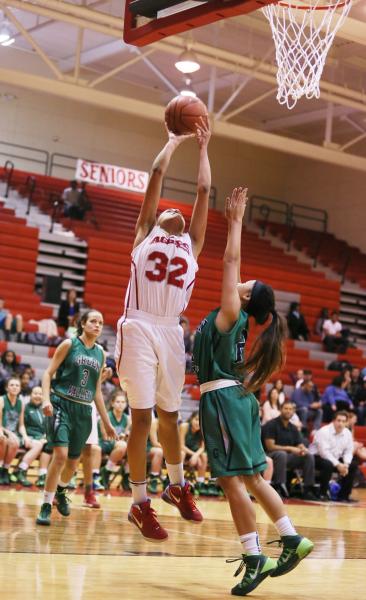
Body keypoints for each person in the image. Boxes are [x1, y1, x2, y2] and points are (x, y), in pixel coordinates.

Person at [193, 188, 313, 597]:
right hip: (235, 398)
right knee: (251, 479)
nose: (240, 279)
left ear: (245, 296)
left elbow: (229, 260)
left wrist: (236, 221)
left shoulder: (232, 312)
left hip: (224, 400)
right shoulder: (236, 318)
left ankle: (254, 555)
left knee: (231, 482)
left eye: (246, 282)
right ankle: (291, 537)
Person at [115, 119, 211, 542]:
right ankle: (139, 503)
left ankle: (176, 484)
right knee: (141, 418)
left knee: (170, 417)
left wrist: (204, 149)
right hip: (138, 324)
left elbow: (205, 192)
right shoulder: (145, 231)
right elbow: (156, 175)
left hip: (172, 332)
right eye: (167, 208)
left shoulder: (193, 245)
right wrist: (173, 142)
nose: (174, 209)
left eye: (179, 210)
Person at [36, 310, 117, 526]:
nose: (97, 325)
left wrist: (107, 423)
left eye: (101, 322)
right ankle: (46, 504)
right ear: (82, 323)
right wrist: (45, 400)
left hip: (84, 410)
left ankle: (61, 490)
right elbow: (47, 373)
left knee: (73, 462)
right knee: (60, 455)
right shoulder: (68, 344)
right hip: (61, 404)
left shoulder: (101, 353)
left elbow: (97, 391)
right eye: (93, 321)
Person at [263, 401, 316, 500]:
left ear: (293, 412)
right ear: (281, 410)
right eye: (285, 408)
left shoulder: (293, 428)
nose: (288, 411)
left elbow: (299, 442)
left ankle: (308, 489)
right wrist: (290, 448)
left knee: (308, 456)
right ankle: (279, 487)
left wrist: (302, 448)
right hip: (270, 455)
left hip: (288, 457)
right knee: (281, 454)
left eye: (290, 409)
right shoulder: (272, 424)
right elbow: (270, 446)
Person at [309, 411, 358, 502]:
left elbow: (348, 451)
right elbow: (324, 453)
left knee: (353, 465)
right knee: (327, 464)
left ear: (347, 423)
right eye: (338, 420)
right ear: (333, 421)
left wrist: (346, 465)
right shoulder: (324, 431)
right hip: (316, 458)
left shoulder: (347, 433)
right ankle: (323, 494)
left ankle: (343, 496)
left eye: (343, 421)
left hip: (334, 459)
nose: (341, 423)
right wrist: (338, 465)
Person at [99, 388, 130, 490]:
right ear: (112, 403)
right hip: (104, 443)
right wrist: (119, 438)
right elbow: (105, 436)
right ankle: (107, 470)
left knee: (133, 447)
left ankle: (126, 474)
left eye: (123, 402)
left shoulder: (128, 419)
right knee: (122, 445)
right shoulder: (106, 417)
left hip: (119, 445)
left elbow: (126, 435)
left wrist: (126, 436)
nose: (120, 404)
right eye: (118, 402)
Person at [21, 385, 52, 487]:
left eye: (40, 394)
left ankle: (42, 476)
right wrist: (29, 437)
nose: (38, 396)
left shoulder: (44, 409)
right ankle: (21, 471)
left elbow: (48, 426)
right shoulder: (25, 408)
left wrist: (45, 437)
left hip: (42, 438)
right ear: (31, 395)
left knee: (49, 446)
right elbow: (21, 426)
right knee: (40, 444)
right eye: (35, 393)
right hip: (28, 437)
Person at [179, 410, 208, 494]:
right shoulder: (184, 426)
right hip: (183, 451)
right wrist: (194, 455)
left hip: (194, 453)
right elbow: (181, 445)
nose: (197, 423)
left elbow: (202, 448)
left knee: (204, 455)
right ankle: (177, 482)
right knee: (182, 453)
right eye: (196, 419)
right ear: (191, 418)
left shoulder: (203, 430)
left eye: (200, 421)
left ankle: (200, 482)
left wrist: (196, 456)